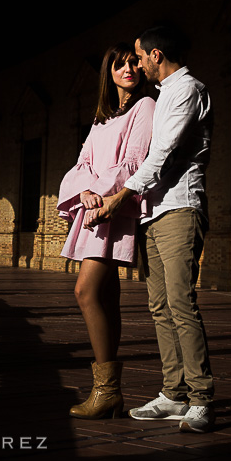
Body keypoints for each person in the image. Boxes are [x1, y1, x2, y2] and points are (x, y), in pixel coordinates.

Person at [92, 24, 216, 432]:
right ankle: (173, 393)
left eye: (140, 55)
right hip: (154, 213)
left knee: (181, 304)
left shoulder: (187, 90)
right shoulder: (162, 96)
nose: (138, 63)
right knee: (160, 307)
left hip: (180, 208)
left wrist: (117, 198)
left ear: (156, 55)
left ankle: (201, 399)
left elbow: (162, 153)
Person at [57, 43, 156, 419]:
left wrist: (98, 194)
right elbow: (81, 163)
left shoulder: (144, 107)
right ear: (108, 72)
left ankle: (105, 389)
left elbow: (134, 161)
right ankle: (110, 394)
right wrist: (83, 190)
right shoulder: (101, 118)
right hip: (93, 208)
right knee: (107, 298)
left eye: (134, 62)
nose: (129, 68)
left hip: (113, 208)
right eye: (120, 64)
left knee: (85, 290)